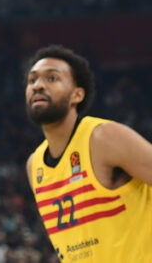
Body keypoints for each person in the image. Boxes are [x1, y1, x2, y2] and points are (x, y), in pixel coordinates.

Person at [24, 44, 152, 259]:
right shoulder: (34, 165)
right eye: (32, 80)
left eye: (52, 78)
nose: (37, 85)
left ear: (77, 95)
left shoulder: (103, 137)